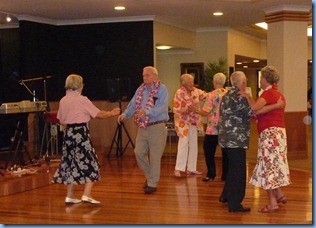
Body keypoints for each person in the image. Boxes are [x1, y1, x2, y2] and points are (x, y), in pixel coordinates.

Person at [52, 74, 120, 204]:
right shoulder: (82, 99)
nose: (83, 86)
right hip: (80, 134)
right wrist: (112, 113)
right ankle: (86, 194)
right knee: (91, 161)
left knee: (71, 163)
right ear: (78, 85)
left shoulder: (63, 100)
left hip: (68, 135)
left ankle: (70, 195)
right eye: (82, 83)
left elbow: (60, 120)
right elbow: (98, 114)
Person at [240, 66, 291, 213]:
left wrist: (247, 96)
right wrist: (275, 106)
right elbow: (257, 111)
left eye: (261, 77)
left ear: (266, 79)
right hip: (279, 134)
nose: (260, 80)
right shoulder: (277, 95)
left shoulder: (268, 94)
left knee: (267, 166)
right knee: (272, 164)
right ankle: (279, 194)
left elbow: (255, 107)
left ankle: (272, 202)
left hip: (270, 134)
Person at [117, 66, 169, 194]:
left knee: (155, 157)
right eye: (143, 75)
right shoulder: (140, 90)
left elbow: (162, 107)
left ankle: (152, 184)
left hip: (157, 126)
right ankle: (150, 177)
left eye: (147, 75)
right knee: (138, 152)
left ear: (155, 76)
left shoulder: (162, 89)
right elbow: (133, 105)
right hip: (143, 127)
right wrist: (124, 115)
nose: (145, 77)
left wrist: (147, 112)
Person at [218, 71, 252, 213]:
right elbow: (253, 111)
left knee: (232, 169)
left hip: (226, 138)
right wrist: (250, 97)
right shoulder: (240, 96)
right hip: (236, 139)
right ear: (242, 83)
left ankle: (226, 196)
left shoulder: (226, 95)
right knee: (238, 171)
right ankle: (235, 203)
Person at [173, 73, 207, 178]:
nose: (191, 84)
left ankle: (191, 168)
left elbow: (207, 96)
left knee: (193, 143)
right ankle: (178, 169)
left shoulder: (196, 91)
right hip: (182, 122)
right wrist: (187, 110)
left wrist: (219, 92)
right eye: (189, 82)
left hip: (193, 121)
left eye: (192, 81)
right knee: (183, 143)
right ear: (183, 83)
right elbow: (176, 109)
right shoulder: (179, 93)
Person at [199, 73, 228, 182]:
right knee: (226, 153)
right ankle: (225, 175)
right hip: (225, 128)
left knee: (209, 152)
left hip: (213, 128)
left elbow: (205, 111)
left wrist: (196, 110)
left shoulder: (212, 95)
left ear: (214, 82)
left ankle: (211, 174)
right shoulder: (228, 94)